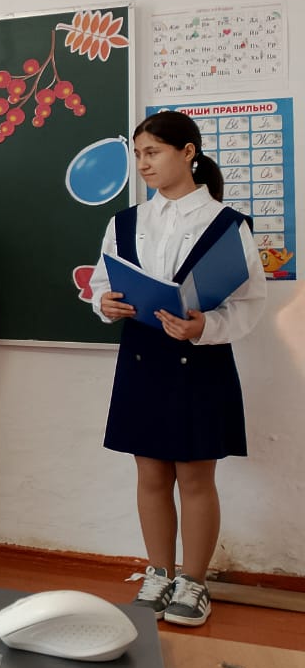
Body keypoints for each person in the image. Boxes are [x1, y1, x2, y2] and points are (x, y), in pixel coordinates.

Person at [89, 110, 265, 627]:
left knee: (195, 476)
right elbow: (102, 283)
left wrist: (204, 326)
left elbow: (250, 303)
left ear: (188, 152)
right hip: (142, 358)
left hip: (199, 360)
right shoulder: (125, 222)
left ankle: (194, 582)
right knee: (149, 473)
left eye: (153, 152)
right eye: (138, 154)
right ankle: (159, 575)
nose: (143, 164)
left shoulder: (228, 224)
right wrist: (106, 304)